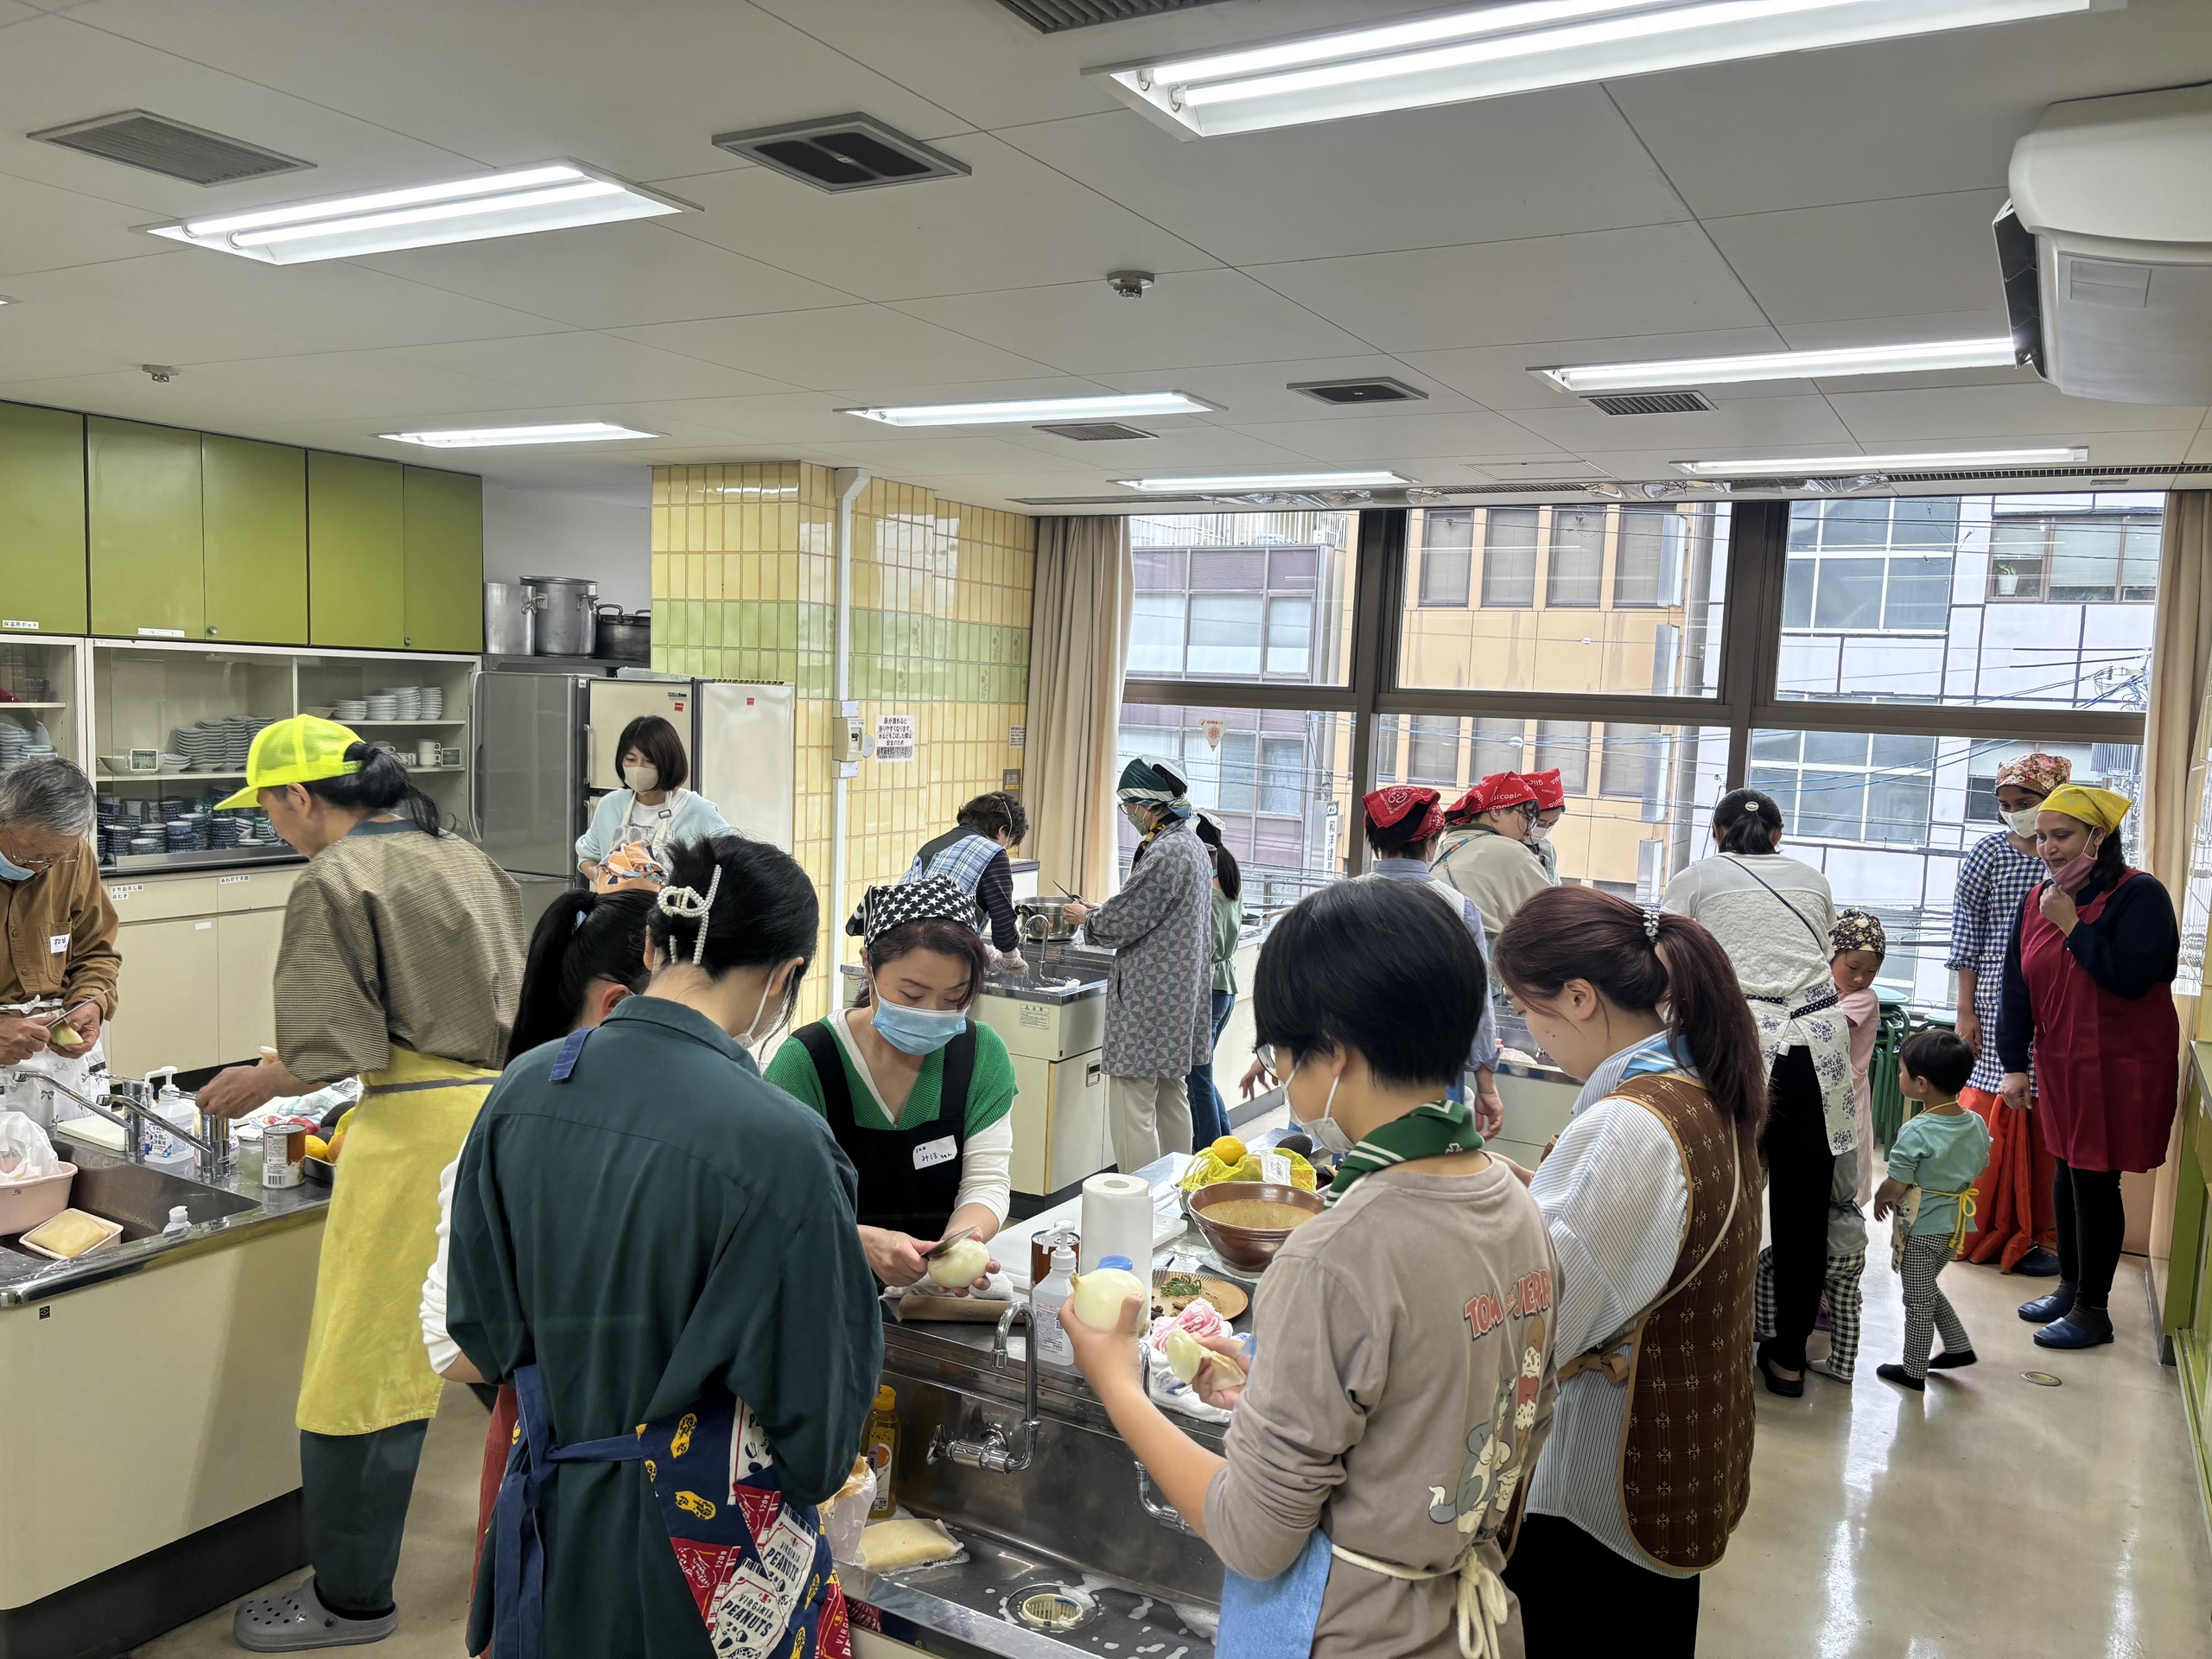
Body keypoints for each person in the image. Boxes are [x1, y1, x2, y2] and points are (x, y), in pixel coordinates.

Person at [1061, 878, 1557, 1659]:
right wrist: (1274, 1377)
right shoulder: (1516, 1203)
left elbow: (1251, 1537)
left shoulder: (1335, 1252)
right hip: (1467, 1625)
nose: (1283, 1077)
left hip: (1354, 1632)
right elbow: (1461, 1405)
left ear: (1335, 1053)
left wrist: (1117, 1383)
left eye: (1284, 1056)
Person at [447, 836, 881, 1658]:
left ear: (650, 946)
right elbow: (820, 1439)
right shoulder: (786, 1146)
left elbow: (484, 1333)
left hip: (550, 1520)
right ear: (786, 977)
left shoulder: (525, 1088)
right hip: (702, 1554)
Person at [192, 717, 525, 1652]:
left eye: (267, 809)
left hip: (414, 1132)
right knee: (493, 1336)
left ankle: (350, 1598)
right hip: (503, 1112)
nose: (270, 827)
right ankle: (559, 1529)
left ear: (298, 797)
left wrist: (266, 1077)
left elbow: (333, 1045)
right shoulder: (462, 855)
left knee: (365, 1365)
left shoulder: (337, 876)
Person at [1492, 886, 1765, 1659]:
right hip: (1684, 1452)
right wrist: (1532, 1191)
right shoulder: (1699, 1083)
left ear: (1579, 998)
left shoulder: (1628, 1126)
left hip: (1604, 1488)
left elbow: (1541, 1322)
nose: (1532, 1032)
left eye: (1527, 1009)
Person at [417, 887, 658, 1605]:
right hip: (561, 1456)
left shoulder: (675, 1126)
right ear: (618, 1006)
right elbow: (449, 1343)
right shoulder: (518, 1133)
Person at [1662, 788, 1852, 1398]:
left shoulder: (1696, 877)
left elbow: (1667, 958)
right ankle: (1790, 1360)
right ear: (1777, 835)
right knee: (1804, 1210)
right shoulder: (1813, 878)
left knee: (1721, 1194)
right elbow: (1822, 950)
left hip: (1740, 1045)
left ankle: (1709, 1341)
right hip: (1817, 1048)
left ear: (1718, 832)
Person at [1999, 783, 2180, 1351]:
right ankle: (2070, 1288)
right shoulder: (2040, 898)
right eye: (2042, 837)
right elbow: (2016, 986)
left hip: (2121, 1065)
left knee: (2097, 1180)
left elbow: (2132, 978)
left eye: (2063, 836)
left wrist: (2073, 926)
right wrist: (2013, 1063)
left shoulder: (2140, 895)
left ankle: (2093, 1311)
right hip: (2061, 1062)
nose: (2048, 848)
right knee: (2068, 1172)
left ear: (2098, 837)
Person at [766, 877, 1013, 1291]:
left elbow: (986, 1181)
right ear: (868, 965)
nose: (933, 1012)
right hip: (824, 1283)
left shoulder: (981, 1055)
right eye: (912, 995)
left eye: (955, 997)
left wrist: (956, 1248)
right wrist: (860, 1241)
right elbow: (777, 1201)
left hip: (930, 1292)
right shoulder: (807, 1062)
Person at [1948, 751, 2071, 1275]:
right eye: (2005, 804)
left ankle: (2037, 1231)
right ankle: (1980, 1228)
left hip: (2058, 1006)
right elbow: (1966, 932)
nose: (2014, 812)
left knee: (2045, 1117)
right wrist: (1965, 1010)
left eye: (2025, 802)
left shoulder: (2071, 857)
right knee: (1990, 1117)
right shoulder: (1989, 853)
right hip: (1995, 1003)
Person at [1059, 759, 1212, 1173]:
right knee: (1171, 1095)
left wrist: (1087, 918)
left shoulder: (1165, 852)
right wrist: (1105, 910)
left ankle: (1140, 1193)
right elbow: (1151, 910)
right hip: (1178, 993)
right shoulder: (1190, 844)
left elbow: (1121, 923)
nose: (1128, 813)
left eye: (1129, 805)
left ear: (1148, 804)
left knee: (1133, 1102)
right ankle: (1178, 1183)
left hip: (1151, 996)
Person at [1361, 785, 1506, 1137]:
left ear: (1375, 841)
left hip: (1360, 1070)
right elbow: (1475, 1003)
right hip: (1436, 1071)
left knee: (1361, 1162)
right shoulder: (1458, 908)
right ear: (1431, 842)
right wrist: (1486, 1085)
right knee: (1433, 1158)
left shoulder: (1341, 901)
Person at [1872, 1030, 1990, 1391]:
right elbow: (1982, 1164)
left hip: (1921, 1230)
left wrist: (1880, 1197)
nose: (1899, 1076)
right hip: (1955, 1225)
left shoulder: (1917, 1130)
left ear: (1921, 1084)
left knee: (1917, 1301)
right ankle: (1957, 1347)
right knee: (1925, 1288)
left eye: (1902, 1071)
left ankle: (1913, 1371)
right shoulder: (1975, 1122)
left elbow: (1897, 1183)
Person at [0, 759, 118, 1093]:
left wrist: (91, 1001)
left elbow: (96, 951)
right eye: (29, 854)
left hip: (61, 1053)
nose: (40, 868)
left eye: (53, 859)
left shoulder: (74, 855)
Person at [575, 715, 732, 887]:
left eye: (649, 761)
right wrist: (600, 876)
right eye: (631, 760)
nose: (638, 768)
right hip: (614, 904)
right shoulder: (610, 805)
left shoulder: (698, 811)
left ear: (668, 763)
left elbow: (731, 864)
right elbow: (588, 855)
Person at [1755, 1154, 1868, 1386]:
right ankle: (1843, 1366)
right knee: (1845, 1307)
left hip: (1827, 1242)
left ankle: (1766, 1329)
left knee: (1765, 1265)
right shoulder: (1847, 1148)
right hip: (1854, 1240)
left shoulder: (1817, 1157)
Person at [906, 789, 1029, 973]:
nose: (1005, 849)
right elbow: (1002, 918)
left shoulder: (931, 847)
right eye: (1008, 843)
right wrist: (1011, 958)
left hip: (901, 951)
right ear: (1002, 830)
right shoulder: (993, 853)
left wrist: (982, 949)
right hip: (942, 960)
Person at [1433, 772, 1552, 938]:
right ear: (1496, 811)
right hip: (1485, 951)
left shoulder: (1443, 847)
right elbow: (1552, 913)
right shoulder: (1512, 850)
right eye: (1528, 818)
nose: (1530, 832)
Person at [1185, 815, 1243, 1151]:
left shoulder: (1206, 892)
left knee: (1197, 1078)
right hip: (1225, 988)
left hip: (1208, 990)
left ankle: (1210, 1153)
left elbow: (1198, 947)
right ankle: (1228, 1146)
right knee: (1202, 1076)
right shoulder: (1229, 880)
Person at [1831, 909, 1887, 1200]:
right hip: (1823, 1089)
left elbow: (1827, 1028)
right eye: (1853, 967)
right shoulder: (1823, 991)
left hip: (1848, 1091)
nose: (1859, 978)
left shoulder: (1864, 998)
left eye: (1870, 972)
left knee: (1846, 1168)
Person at [1523, 767, 1567, 883]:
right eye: (1540, 823)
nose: (1544, 829)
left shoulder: (1547, 846)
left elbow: (1555, 885)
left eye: (1552, 823)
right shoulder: (1503, 843)